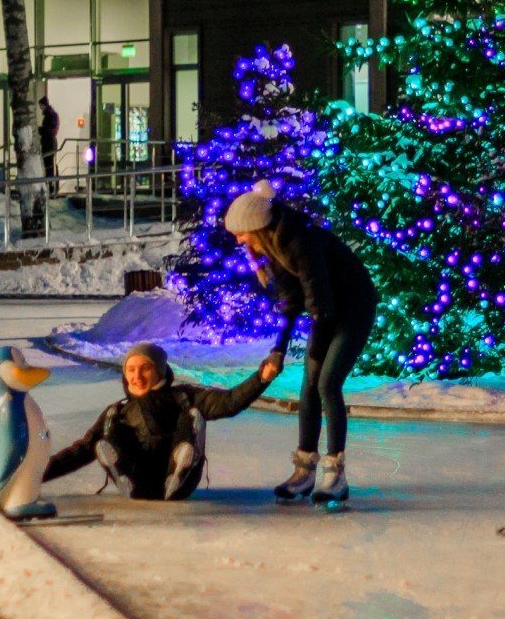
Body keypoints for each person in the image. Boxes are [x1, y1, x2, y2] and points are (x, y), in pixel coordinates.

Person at [225, 180, 375, 507]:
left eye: (241, 232)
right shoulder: (274, 248)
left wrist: (316, 352)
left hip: (354, 307)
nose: (238, 239)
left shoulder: (300, 241)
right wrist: (278, 348)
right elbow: (292, 302)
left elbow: (320, 304)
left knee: (326, 383)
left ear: (257, 227)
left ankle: (336, 474)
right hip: (327, 310)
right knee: (308, 387)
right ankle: (304, 471)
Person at [45, 343, 282, 501]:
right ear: (125, 375)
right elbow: (82, 450)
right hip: (139, 481)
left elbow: (228, 402)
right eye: (131, 370)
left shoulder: (183, 396)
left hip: (179, 484)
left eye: (145, 368)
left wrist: (261, 378)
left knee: (192, 416)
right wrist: (35, 474)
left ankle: (181, 462)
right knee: (109, 429)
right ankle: (122, 471)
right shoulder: (118, 411)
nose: (137, 376)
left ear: (160, 370)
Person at [38, 96, 60, 190]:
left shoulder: (49, 115)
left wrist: (40, 130)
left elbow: (49, 130)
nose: (40, 108)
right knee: (50, 164)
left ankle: (51, 185)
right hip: (50, 142)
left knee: (49, 164)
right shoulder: (52, 114)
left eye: (40, 105)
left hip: (48, 143)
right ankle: (51, 184)